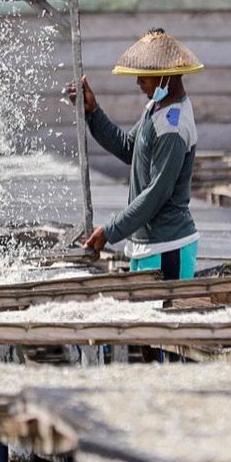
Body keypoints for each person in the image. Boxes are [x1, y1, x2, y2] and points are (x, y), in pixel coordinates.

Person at [69, 29, 201, 280]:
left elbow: (156, 193)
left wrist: (110, 230)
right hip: (146, 245)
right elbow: (129, 148)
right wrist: (93, 112)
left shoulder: (172, 126)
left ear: (165, 75)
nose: (139, 81)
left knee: (161, 317)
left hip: (167, 246)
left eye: (145, 76)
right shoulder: (156, 108)